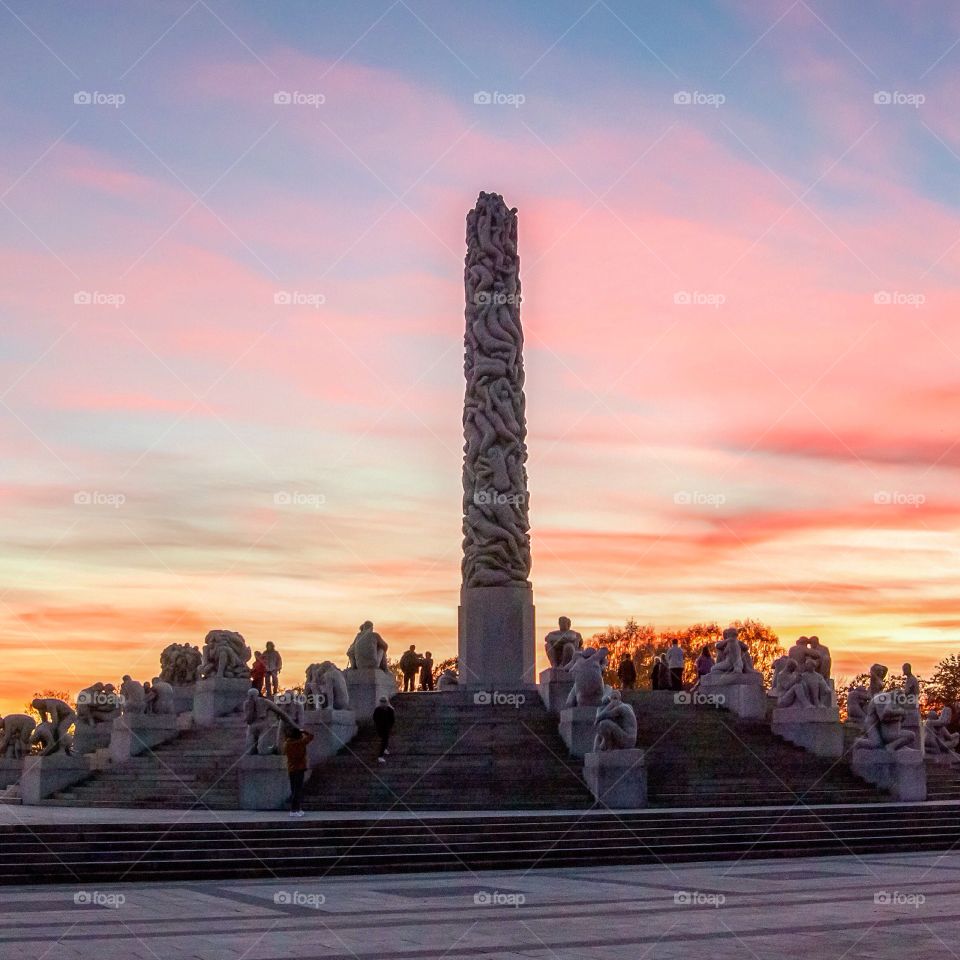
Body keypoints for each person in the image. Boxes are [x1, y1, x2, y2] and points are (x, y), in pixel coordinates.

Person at [281, 725, 314, 817]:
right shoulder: (301, 742)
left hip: (291, 768)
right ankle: (294, 809)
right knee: (298, 790)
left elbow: (285, 742)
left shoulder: (287, 744)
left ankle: (296, 809)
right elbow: (311, 736)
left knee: (294, 789)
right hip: (299, 768)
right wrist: (304, 731)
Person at [372, 696, 395, 764]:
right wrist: (378, 725)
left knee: (385, 739)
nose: (383, 703)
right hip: (380, 727)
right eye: (381, 701)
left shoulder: (390, 710)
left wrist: (390, 726)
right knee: (384, 739)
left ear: (387, 702)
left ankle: (381, 755)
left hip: (386, 727)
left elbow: (392, 719)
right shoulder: (377, 710)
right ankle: (382, 752)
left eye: (384, 701)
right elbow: (375, 718)